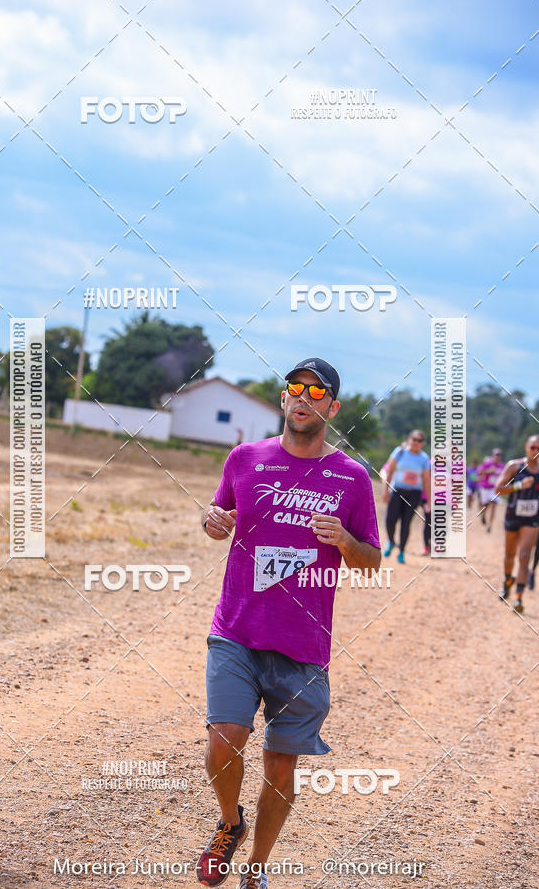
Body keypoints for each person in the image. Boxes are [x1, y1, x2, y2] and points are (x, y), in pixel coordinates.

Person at [197, 357, 380, 889]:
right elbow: (217, 517)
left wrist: (345, 542)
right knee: (224, 740)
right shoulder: (245, 458)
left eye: (316, 392)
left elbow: (371, 558)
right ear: (283, 400)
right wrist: (211, 522)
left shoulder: (349, 477)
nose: (303, 397)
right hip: (237, 629)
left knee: (280, 772)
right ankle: (229, 823)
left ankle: (256, 868)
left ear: (333, 407)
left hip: (303, 646)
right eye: (295, 388)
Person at [495, 435, 539, 613]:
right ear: (526, 447)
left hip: (532, 518)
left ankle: (518, 598)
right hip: (513, 516)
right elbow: (498, 489)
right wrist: (519, 486)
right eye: (533, 447)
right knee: (509, 555)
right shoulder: (515, 466)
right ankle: (507, 582)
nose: (536, 451)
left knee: (525, 555)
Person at [382, 431, 431, 564]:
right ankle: (391, 542)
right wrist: (386, 491)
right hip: (397, 491)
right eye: (414, 439)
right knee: (390, 519)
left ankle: (402, 551)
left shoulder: (424, 458)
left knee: (406, 523)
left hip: (414, 494)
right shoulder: (399, 452)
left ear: (423, 443)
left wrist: (430, 501)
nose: (416, 442)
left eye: (420, 441)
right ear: (409, 439)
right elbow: (390, 471)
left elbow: (426, 480)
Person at [476, 448, 503, 532]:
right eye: (496, 456)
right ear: (493, 456)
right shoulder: (487, 464)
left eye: (499, 456)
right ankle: (483, 515)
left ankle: (490, 525)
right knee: (485, 506)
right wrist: (488, 471)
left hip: (494, 489)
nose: (497, 458)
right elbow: (479, 473)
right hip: (485, 488)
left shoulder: (502, 466)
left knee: (494, 505)